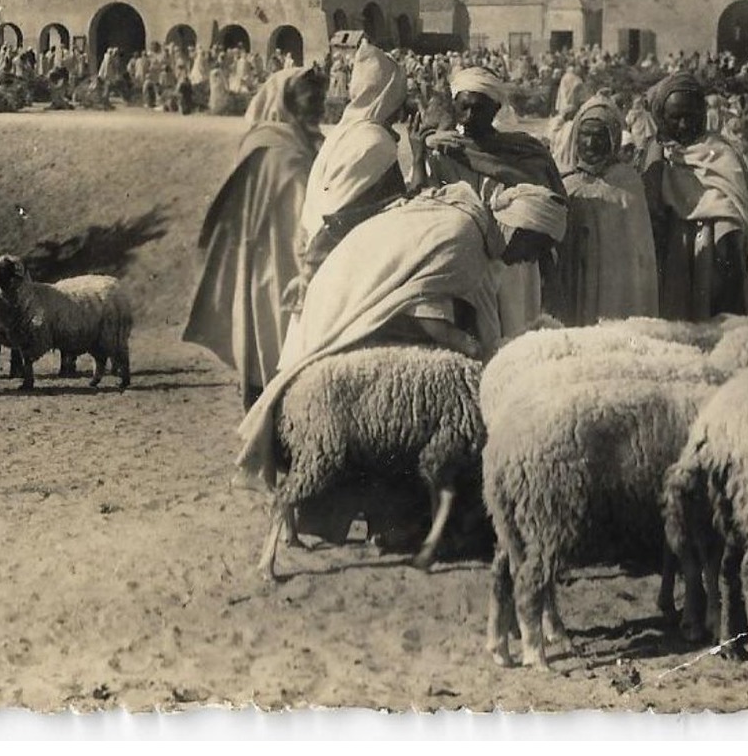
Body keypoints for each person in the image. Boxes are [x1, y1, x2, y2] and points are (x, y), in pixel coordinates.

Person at [236, 181, 561, 491]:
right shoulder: (466, 239)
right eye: (535, 247)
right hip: (353, 296)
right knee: (362, 411)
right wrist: (476, 350)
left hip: (355, 283)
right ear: (519, 229)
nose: (529, 260)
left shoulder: (472, 224)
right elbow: (428, 316)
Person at [184, 67, 328, 411]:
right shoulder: (278, 149)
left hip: (281, 256)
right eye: (311, 99)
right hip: (276, 262)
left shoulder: (290, 141)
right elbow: (303, 211)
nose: (319, 107)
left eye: (320, 99)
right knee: (278, 343)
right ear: (289, 102)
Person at [640, 72, 748, 322]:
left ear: (703, 115)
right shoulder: (654, 155)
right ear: (661, 117)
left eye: (690, 116)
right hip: (670, 259)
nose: (683, 125)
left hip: (714, 261)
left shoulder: (721, 154)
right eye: (675, 117)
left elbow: (735, 212)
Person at [423, 64, 565, 339]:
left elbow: (547, 204)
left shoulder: (522, 150)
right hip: (464, 258)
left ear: (496, 108)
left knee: (517, 333)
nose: (470, 116)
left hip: (514, 263)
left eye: (479, 108)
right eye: (464, 107)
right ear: (454, 106)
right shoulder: (443, 152)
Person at [297, 42, 419, 284]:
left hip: (320, 262)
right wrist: (419, 158)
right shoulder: (374, 141)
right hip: (337, 273)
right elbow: (340, 221)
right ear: (388, 95)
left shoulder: (345, 131)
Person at [548, 95, 658, 326]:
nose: (590, 144)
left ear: (613, 138)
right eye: (584, 135)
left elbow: (637, 257)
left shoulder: (627, 185)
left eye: (598, 136)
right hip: (573, 283)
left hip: (613, 294)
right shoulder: (566, 184)